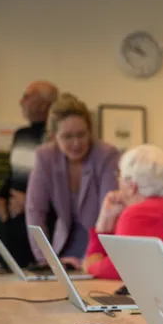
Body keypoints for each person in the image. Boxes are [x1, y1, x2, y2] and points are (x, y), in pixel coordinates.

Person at [25, 93, 119, 268]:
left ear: (90, 132)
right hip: (64, 247)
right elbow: (35, 212)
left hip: (99, 247)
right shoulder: (45, 157)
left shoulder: (106, 155)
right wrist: (47, 262)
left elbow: (109, 213)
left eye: (81, 135)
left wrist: (89, 260)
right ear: (53, 136)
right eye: (67, 137)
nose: (76, 143)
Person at [83, 144, 163, 279]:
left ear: (131, 186)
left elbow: (115, 268)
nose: (117, 182)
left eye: (119, 176)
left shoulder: (135, 214)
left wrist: (101, 228)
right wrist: (106, 222)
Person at [0, 81, 58, 267]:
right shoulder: (21, 134)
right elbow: (15, 173)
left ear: (44, 104)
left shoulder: (57, 137)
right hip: (14, 221)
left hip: (43, 221)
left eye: (27, 96)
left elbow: (60, 183)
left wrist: (30, 201)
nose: (21, 101)